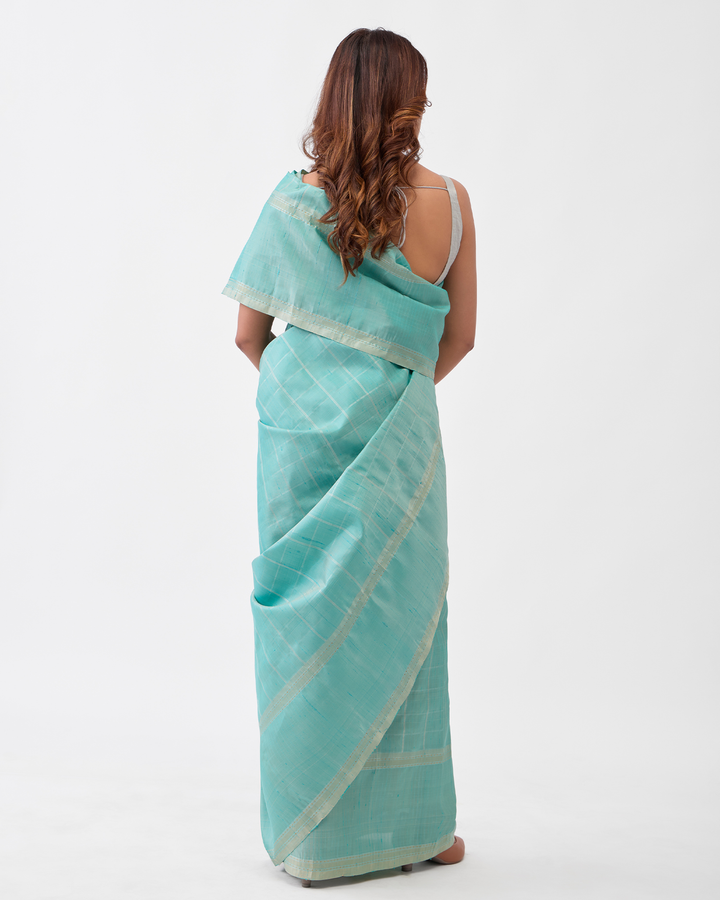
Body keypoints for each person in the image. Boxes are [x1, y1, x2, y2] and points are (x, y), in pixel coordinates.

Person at [221, 27, 476, 887]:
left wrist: (313, 398)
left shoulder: (295, 202)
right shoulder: (452, 203)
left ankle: (313, 840)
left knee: (308, 620)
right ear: (412, 102)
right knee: (405, 616)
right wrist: (389, 395)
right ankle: (421, 833)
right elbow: (459, 339)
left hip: (298, 445)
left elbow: (248, 335)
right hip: (403, 440)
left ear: (335, 98)